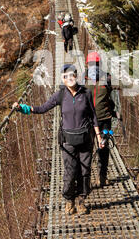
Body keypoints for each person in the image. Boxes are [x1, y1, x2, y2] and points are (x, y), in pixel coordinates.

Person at [12, 64, 104, 215]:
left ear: (76, 76)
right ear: (63, 79)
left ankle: (81, 201)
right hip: (68, 141)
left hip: (86, 139)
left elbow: (93, 116)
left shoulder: (86, 93)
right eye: (66, 76)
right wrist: (23, 108)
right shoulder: (60, 95)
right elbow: (42, 108)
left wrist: (99, 137)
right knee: (70, 172)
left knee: (85, 171)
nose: (70, 78)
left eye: (72, 75)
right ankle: (70, 200)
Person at [82, 51, 118, 188]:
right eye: (92, 64)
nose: (94, 67)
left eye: (96, 64)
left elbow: (124, 85)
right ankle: (86, 180)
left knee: (103, 149)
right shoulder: (83, 79)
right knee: (87, 150)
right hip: (88, 120)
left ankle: (102, 177)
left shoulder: (107, 78)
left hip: (104, 119)